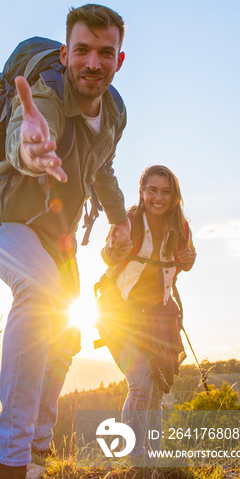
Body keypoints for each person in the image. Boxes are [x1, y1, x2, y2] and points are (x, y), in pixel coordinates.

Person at [0, 4, 130, 479]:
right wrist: (30, 146)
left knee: (64, 337)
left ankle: (38, 447)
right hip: (3, 219)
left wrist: (118, 219)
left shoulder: (117, 111)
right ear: (65, 55)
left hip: (56, 237)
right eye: (81, 50)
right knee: (39, 292)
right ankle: (9, 469)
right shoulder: (45, 91)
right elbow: (26, 130)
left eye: (104, 52)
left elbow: (103, 168)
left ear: (119, 60)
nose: (92, 62)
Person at [98, 164, 196, 460]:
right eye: (152, 190)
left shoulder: (180, 226)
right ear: (141, 192)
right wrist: (115, 251)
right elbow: (107, 253)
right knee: (140, 381)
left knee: (155, 391)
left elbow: (187, 259)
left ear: (174, 195)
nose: (159, 197)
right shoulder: (128, 220)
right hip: (119, 315)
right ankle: (135, 460)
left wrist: (190, 258)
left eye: (166, 191)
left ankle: (153, 462)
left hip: (160, 318)